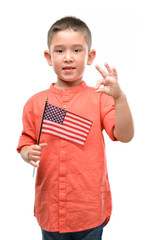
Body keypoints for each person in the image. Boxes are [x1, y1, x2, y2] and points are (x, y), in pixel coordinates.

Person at [17, 16, 134, 240]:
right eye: (60, 51)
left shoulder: (100, 98)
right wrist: (27, 153)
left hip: (88, 211)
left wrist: (119, 98)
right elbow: (25, 142)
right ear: (48, 57)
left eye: (77, 50)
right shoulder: (35, 103)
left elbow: (125, 135)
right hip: (50, 209)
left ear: (89, 56)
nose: (68, 58)